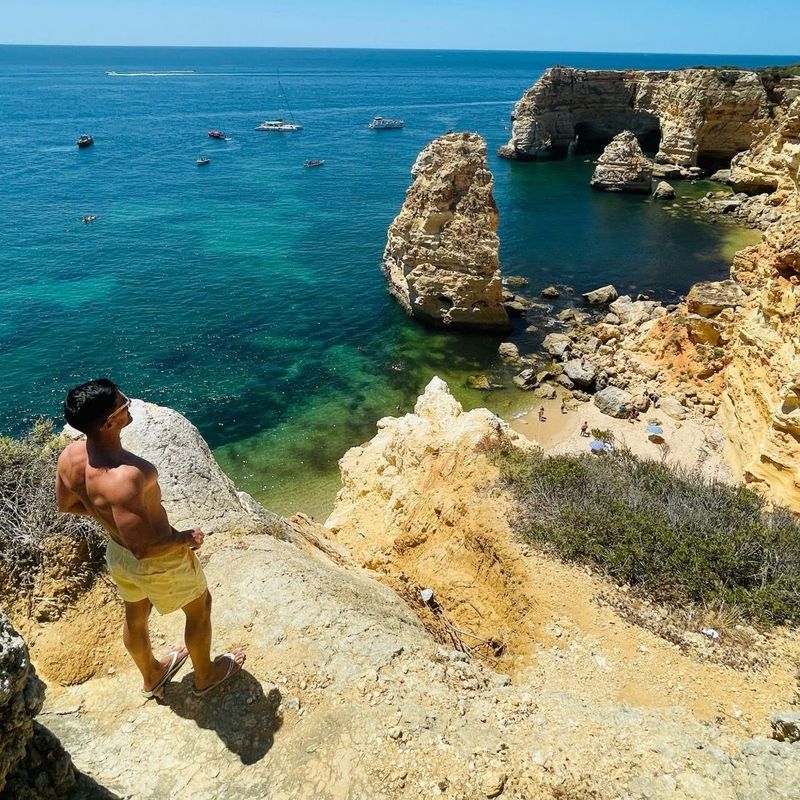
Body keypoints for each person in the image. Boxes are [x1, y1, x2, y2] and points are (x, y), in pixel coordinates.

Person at [55, 379, 245, 699]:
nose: (129, 403)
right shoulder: (128, 475)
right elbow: (143, 549)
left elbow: (66, 505)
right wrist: (184, 538)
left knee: (136, 615)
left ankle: (152, 675)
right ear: (108, 423)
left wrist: (108, 518)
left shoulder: (70, 457)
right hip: (158, 559)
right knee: (199, 608)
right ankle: (205, 676)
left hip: (118, 554)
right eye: (123, 403)